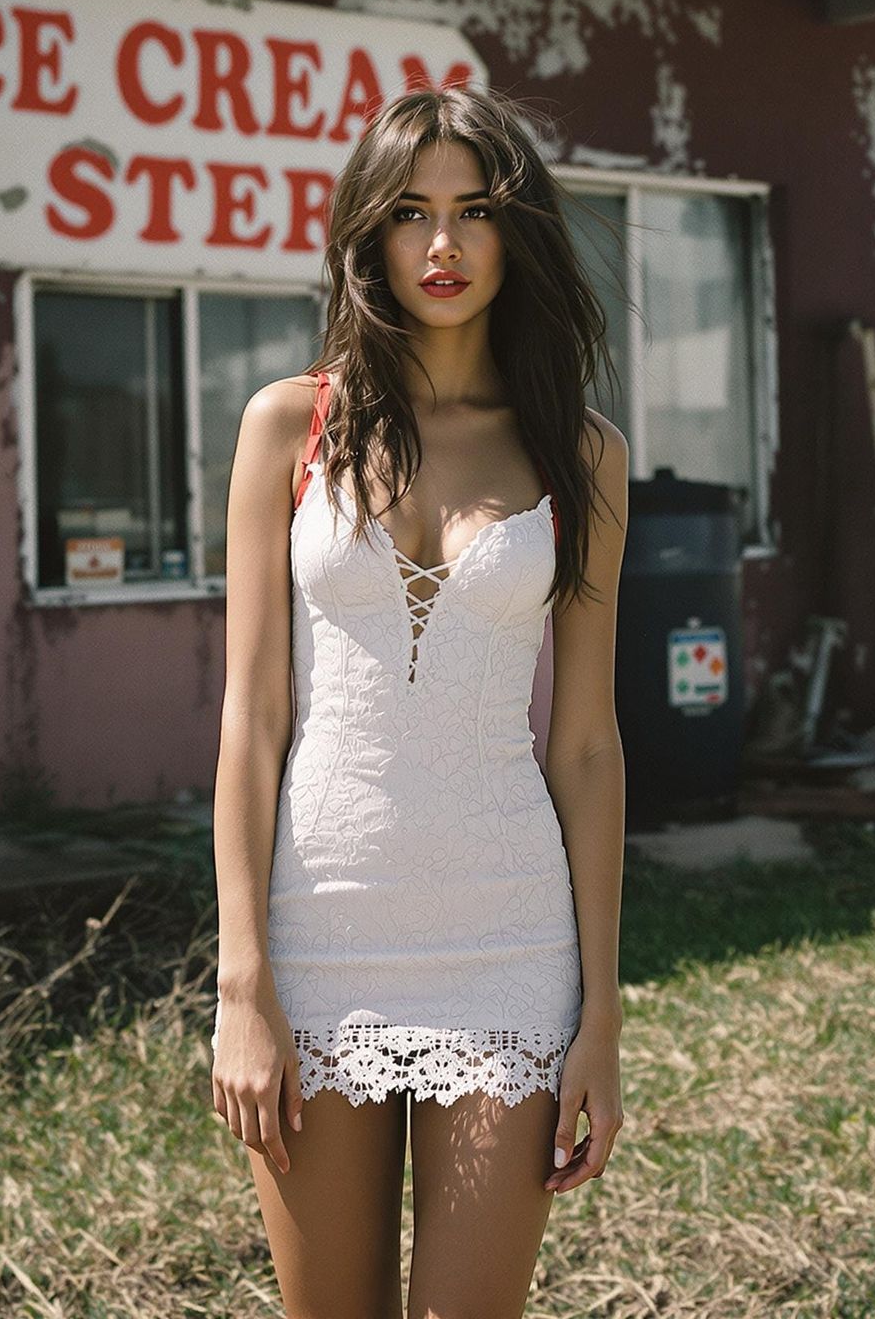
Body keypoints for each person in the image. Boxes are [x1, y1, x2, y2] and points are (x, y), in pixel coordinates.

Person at [210, 83, 629, 1318]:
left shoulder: (581, 452)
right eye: (408, 212)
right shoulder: (289, 425)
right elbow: (251, 719)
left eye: (474, 210)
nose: (441, 244)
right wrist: (241, 982)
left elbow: (586, 745)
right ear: (368, 234)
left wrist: (601, 1012)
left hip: (510, 942)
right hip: (317, 930)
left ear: (517, 231)